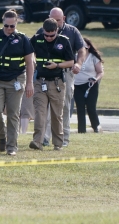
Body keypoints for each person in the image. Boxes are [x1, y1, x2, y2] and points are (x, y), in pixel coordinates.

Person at [0, 9, 34, 156]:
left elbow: (30, 63)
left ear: (16, 24)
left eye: (12, 26)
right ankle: (2, 135)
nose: (9, 29)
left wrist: (29, 83)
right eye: (6, 26)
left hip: (16, 79)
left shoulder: (23, 39)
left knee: (13, 113)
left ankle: (11, 146)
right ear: (3, 23)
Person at [38, 7, 87, 147]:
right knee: (45, 105)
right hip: (45, 73)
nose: (56, 23)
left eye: (58, 20)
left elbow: (81, 49)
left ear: (64, 18)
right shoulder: (43, 31)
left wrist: (78, 63)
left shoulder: (72, 31)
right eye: (53, 19)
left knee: (64, 105)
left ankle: (64, 137)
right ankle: (45, 137)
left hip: (65, 73)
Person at [29, 18, 75, 151]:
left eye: (52, 35)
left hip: (57, 82)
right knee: (39, 112)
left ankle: (58, 143)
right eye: (46, 35)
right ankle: (37, 141)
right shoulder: (36, 39)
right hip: (40, 81)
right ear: (43, 30)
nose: (49, 38)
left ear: (57, 31)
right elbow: (28, 54)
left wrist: (57, 65)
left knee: (56, 114)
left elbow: (71, 62)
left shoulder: (64, 41)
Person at [73, 37, 104, 134]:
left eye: (84, 46)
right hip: (77, 85)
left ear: (88, 46)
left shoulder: (93, 57)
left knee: (91, 107)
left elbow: (100, 72)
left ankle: (96, 127)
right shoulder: (75, 56)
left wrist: (95, 79)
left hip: (91, 85)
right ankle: (81, 130)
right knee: (80, 107)